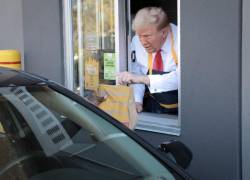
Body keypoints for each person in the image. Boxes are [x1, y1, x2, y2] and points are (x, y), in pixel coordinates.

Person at [117, 7, 179, 114]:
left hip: (182, 111)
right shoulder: (137, 41)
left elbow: (183, 80)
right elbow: (137, 72)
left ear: (163, 33)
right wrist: (137, 101)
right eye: (139, 35)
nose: (142, 42)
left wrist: (143, 79)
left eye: (147, 36)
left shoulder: (182, 40)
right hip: (153, 104)